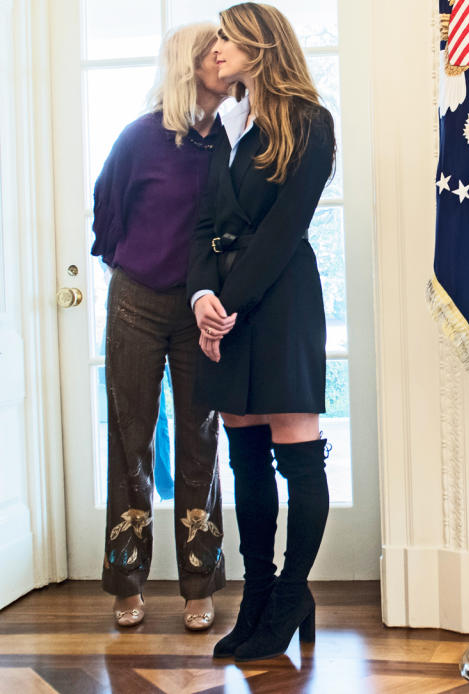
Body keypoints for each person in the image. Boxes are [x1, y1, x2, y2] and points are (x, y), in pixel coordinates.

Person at [186, 2, 336, 661]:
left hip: (279, 301)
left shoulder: (312, 122)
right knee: (244, 455)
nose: (214, 48)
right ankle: (258, 597)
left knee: (296, 451)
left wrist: (229, 303)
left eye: (224, 36)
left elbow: (283, 232)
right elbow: (200, 224)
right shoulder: (220, 124)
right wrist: (201, 300)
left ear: (259, 44)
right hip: (224, 305)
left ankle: (290, 595)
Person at [91, 23, 232, 631]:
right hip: (137, 303)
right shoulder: (139, 139)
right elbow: (105, 213)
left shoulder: (231, 139)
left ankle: (198, 584)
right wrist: (139, 266)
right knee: (132, 442)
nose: (228, 60)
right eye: (217, 51)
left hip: (202, 312)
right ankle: (127, 582)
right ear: (190, 65)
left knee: (201, 439)